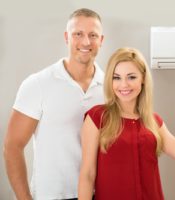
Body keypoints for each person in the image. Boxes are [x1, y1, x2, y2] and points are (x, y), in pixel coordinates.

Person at [78, 47, 175, 200]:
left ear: (143, 78)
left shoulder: (153, 121)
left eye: (131, 77)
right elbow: (88, 175)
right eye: (116, 77)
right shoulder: (96, 117)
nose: (123, 84)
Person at [3, 8, 105, 200]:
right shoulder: (38, 84)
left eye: (93, 35)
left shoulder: (112, 88)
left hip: (99, 193)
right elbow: (12, 146)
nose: (85, 42)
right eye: (78, 34)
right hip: (51, 196)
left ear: (101, 40)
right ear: (67, 37)